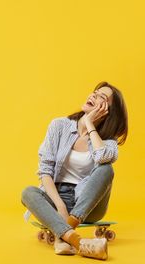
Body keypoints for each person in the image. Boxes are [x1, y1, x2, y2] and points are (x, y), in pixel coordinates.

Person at [21, 81, 128, 260]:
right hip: (56, 200)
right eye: (94, 92)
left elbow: (102, 158)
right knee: (28, 193)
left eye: (102, 97)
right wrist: (61, 206)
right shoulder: (59, 126)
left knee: (106, 169)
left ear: (109, 111)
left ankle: (62, 235)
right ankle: (76, 240)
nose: (93, 95)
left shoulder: (108, 141)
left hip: (88, 205)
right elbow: (45, 170)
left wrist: (89, 124)